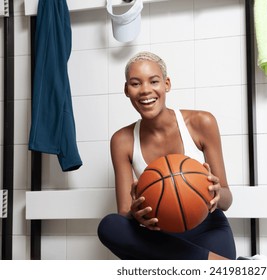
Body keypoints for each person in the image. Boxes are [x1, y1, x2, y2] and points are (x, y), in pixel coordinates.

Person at [97, 51, 236, 260]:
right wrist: (137, 213)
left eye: (154, 81)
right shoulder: (122, 140)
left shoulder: (202, 123)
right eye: (135, 83)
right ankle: (228, 268)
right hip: (159, 237)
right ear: (126, 90)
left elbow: (227, 200)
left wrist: (215, 192)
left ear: (167, 84)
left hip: (207, 228)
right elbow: (125, 213)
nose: (145, 90)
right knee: (110, 226)